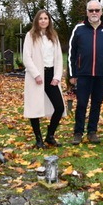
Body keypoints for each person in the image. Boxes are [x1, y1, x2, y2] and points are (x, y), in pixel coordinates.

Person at [68, 0, 103, 144]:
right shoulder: (78, 28)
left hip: (101, 74)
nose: (94, 13)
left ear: (101, 12)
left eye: (97, 10)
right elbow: (71, 52)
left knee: (97, 103)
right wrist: (72, 74)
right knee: (82, 103)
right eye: (91, 10)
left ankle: (92, 132)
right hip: (83, 73)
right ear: (87, 12)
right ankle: (78, 132)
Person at [23, 9, 66, 149]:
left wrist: (57, 76)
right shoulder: (30, 36)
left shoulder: (53, 36)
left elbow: (59, 57)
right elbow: (26, 57)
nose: (43, 21)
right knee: (34, 108)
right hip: (36, 76)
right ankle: (38, 139)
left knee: (59, 107)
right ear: (37, 20)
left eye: (45, 18)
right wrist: (36, 74)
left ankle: (50, 136)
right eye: (40, 18)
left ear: (49, 21)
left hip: (51, 75)